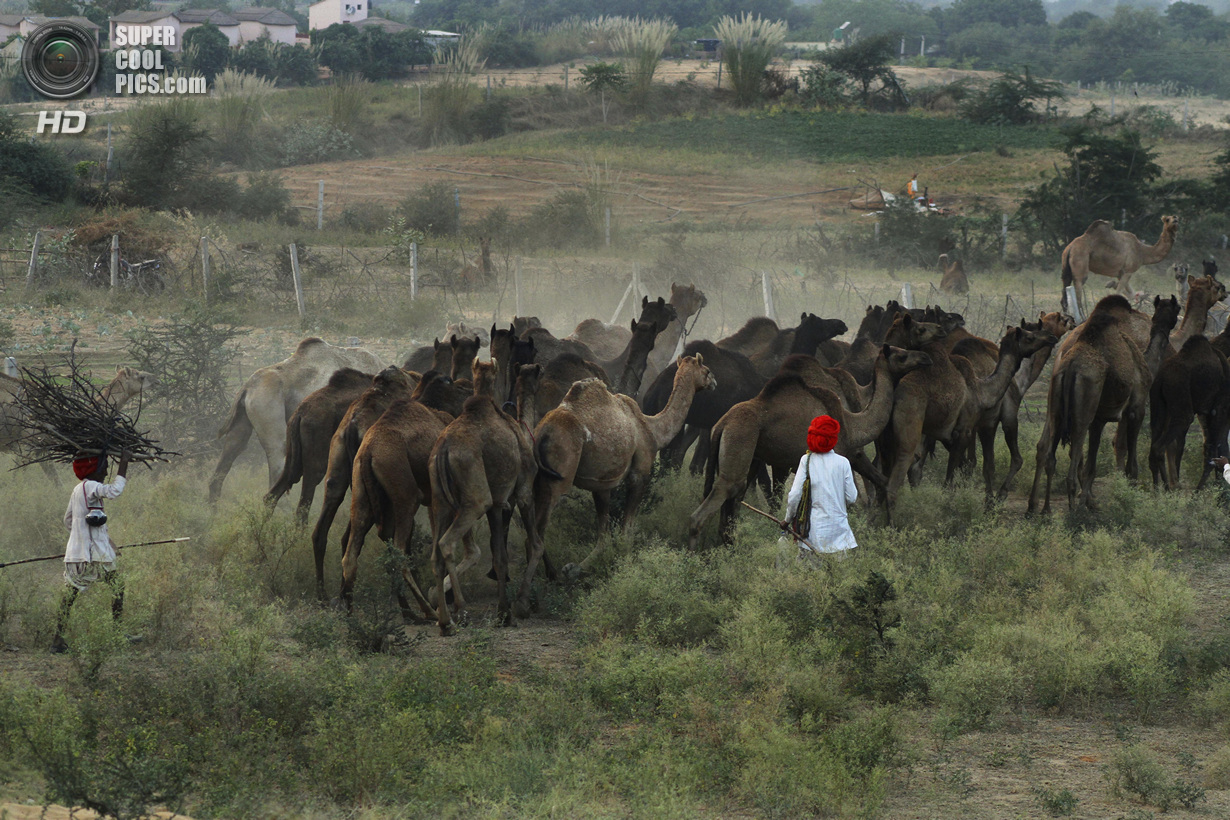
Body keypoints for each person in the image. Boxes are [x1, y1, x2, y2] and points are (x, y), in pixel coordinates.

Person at [51, 448, 131, 654]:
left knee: (70, 596)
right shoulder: (93, 486)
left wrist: (91, 538)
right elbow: (115, 491)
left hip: (79, 554)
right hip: (92, 556)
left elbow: (68, 520)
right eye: (103, 467)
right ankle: (117, 633)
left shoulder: (78, 489)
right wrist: (124, 463)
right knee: (118, 587)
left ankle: (57, 640)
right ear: (93, 469)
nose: (105, 472)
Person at [781, 415, 858, 561]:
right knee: (839, 578)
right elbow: (852, 497)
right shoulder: (843, 463)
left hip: (812, 535)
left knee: (808, 577)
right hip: (840, 535)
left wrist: (787, 519)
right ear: (833, 438)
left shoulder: (807, 460)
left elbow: (795, 495)